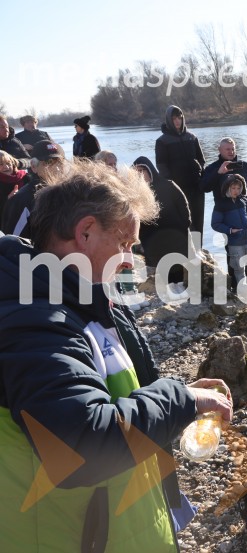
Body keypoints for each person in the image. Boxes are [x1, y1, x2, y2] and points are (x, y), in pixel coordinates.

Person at [0, 160, 233, 551]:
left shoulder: (85, 300)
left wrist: (176, 396)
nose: (130, 259)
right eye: (124, 243)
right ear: (85, 232)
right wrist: (182, 399)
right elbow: (81, 445)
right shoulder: (35, 320)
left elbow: (105, 395)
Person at [133, 156, 192, 288]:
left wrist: (184, 226)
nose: (139, 175)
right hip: (154, 239)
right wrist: (143, 238)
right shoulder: (137, 194)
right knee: (163, 268)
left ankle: (182, 287)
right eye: (136, 172)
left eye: (142, 170)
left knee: (178, 264)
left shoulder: (168, 185)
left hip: (175, 234)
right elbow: (138, 218)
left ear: (150, 170)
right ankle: (170, 289)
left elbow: (184, 206)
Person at [155, 105, 206, 247]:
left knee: (198, 219)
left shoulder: (192, 137)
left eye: (179, 118)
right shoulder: (162, 141)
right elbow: (161, 165)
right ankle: (185, 251)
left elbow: (201, 159)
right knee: (184, 220)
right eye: (174, 118)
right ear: (169, 120)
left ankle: (199, 251)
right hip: (178, 189)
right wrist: (170, 184)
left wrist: (200, 171)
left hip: (196, 187)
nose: (177, 121)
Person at [210, 174, 247, 294]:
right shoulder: (221, 204)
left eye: (238, 188)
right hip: (234, 242)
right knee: (239, 268)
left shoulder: (243, 200)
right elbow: (215, 224)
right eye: (233, 188)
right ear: (227, 188)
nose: (236, 191)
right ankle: (243, 291)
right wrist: (230, 230)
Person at [1, 140, 66, 238]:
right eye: (49, 162)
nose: (57, 168)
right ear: (34, 166)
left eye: (59, 162)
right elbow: (11, 244)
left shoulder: (71, 193)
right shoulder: (23, 200)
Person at [200, 137, 247, 210]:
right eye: (228, 149)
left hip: (246, 212)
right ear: (219, 150)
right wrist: (218, 173)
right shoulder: (212, 168)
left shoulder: (245, 166)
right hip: (225, 213)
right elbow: (204, 188)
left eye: (233, 149)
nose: (231, 152)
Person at [0, 150, 29, 216]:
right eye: (1, 164)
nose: (6, 167)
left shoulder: (26, 177)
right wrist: (8, 198)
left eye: (8, 163)